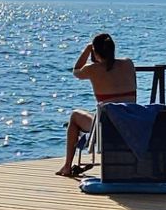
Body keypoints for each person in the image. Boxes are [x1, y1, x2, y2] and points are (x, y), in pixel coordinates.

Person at [58, 32, 138, 176]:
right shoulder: (128, 63)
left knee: (75, 116)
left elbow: (76, 71)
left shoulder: (92, 69)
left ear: (96, 52)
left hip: (108, 128)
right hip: (130, 123)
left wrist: (88, 49)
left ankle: (67, 167)